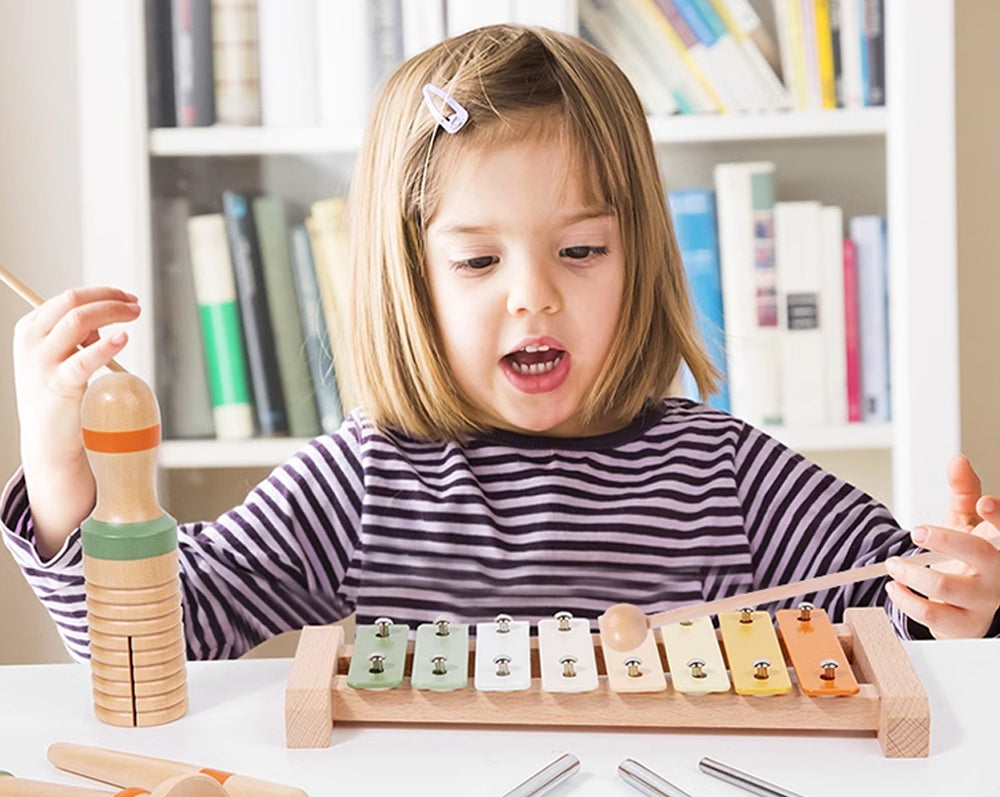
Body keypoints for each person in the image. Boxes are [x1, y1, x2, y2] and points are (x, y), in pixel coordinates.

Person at [4, 25, 999, 664]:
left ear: (637, 253)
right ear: (410, 277)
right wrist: (56, 460)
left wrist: (966, 597)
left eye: (579, 249)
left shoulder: (721, 476)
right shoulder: (364, 483)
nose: (535, 298)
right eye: (478, 263)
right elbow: (147, 643)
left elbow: (896, 610)